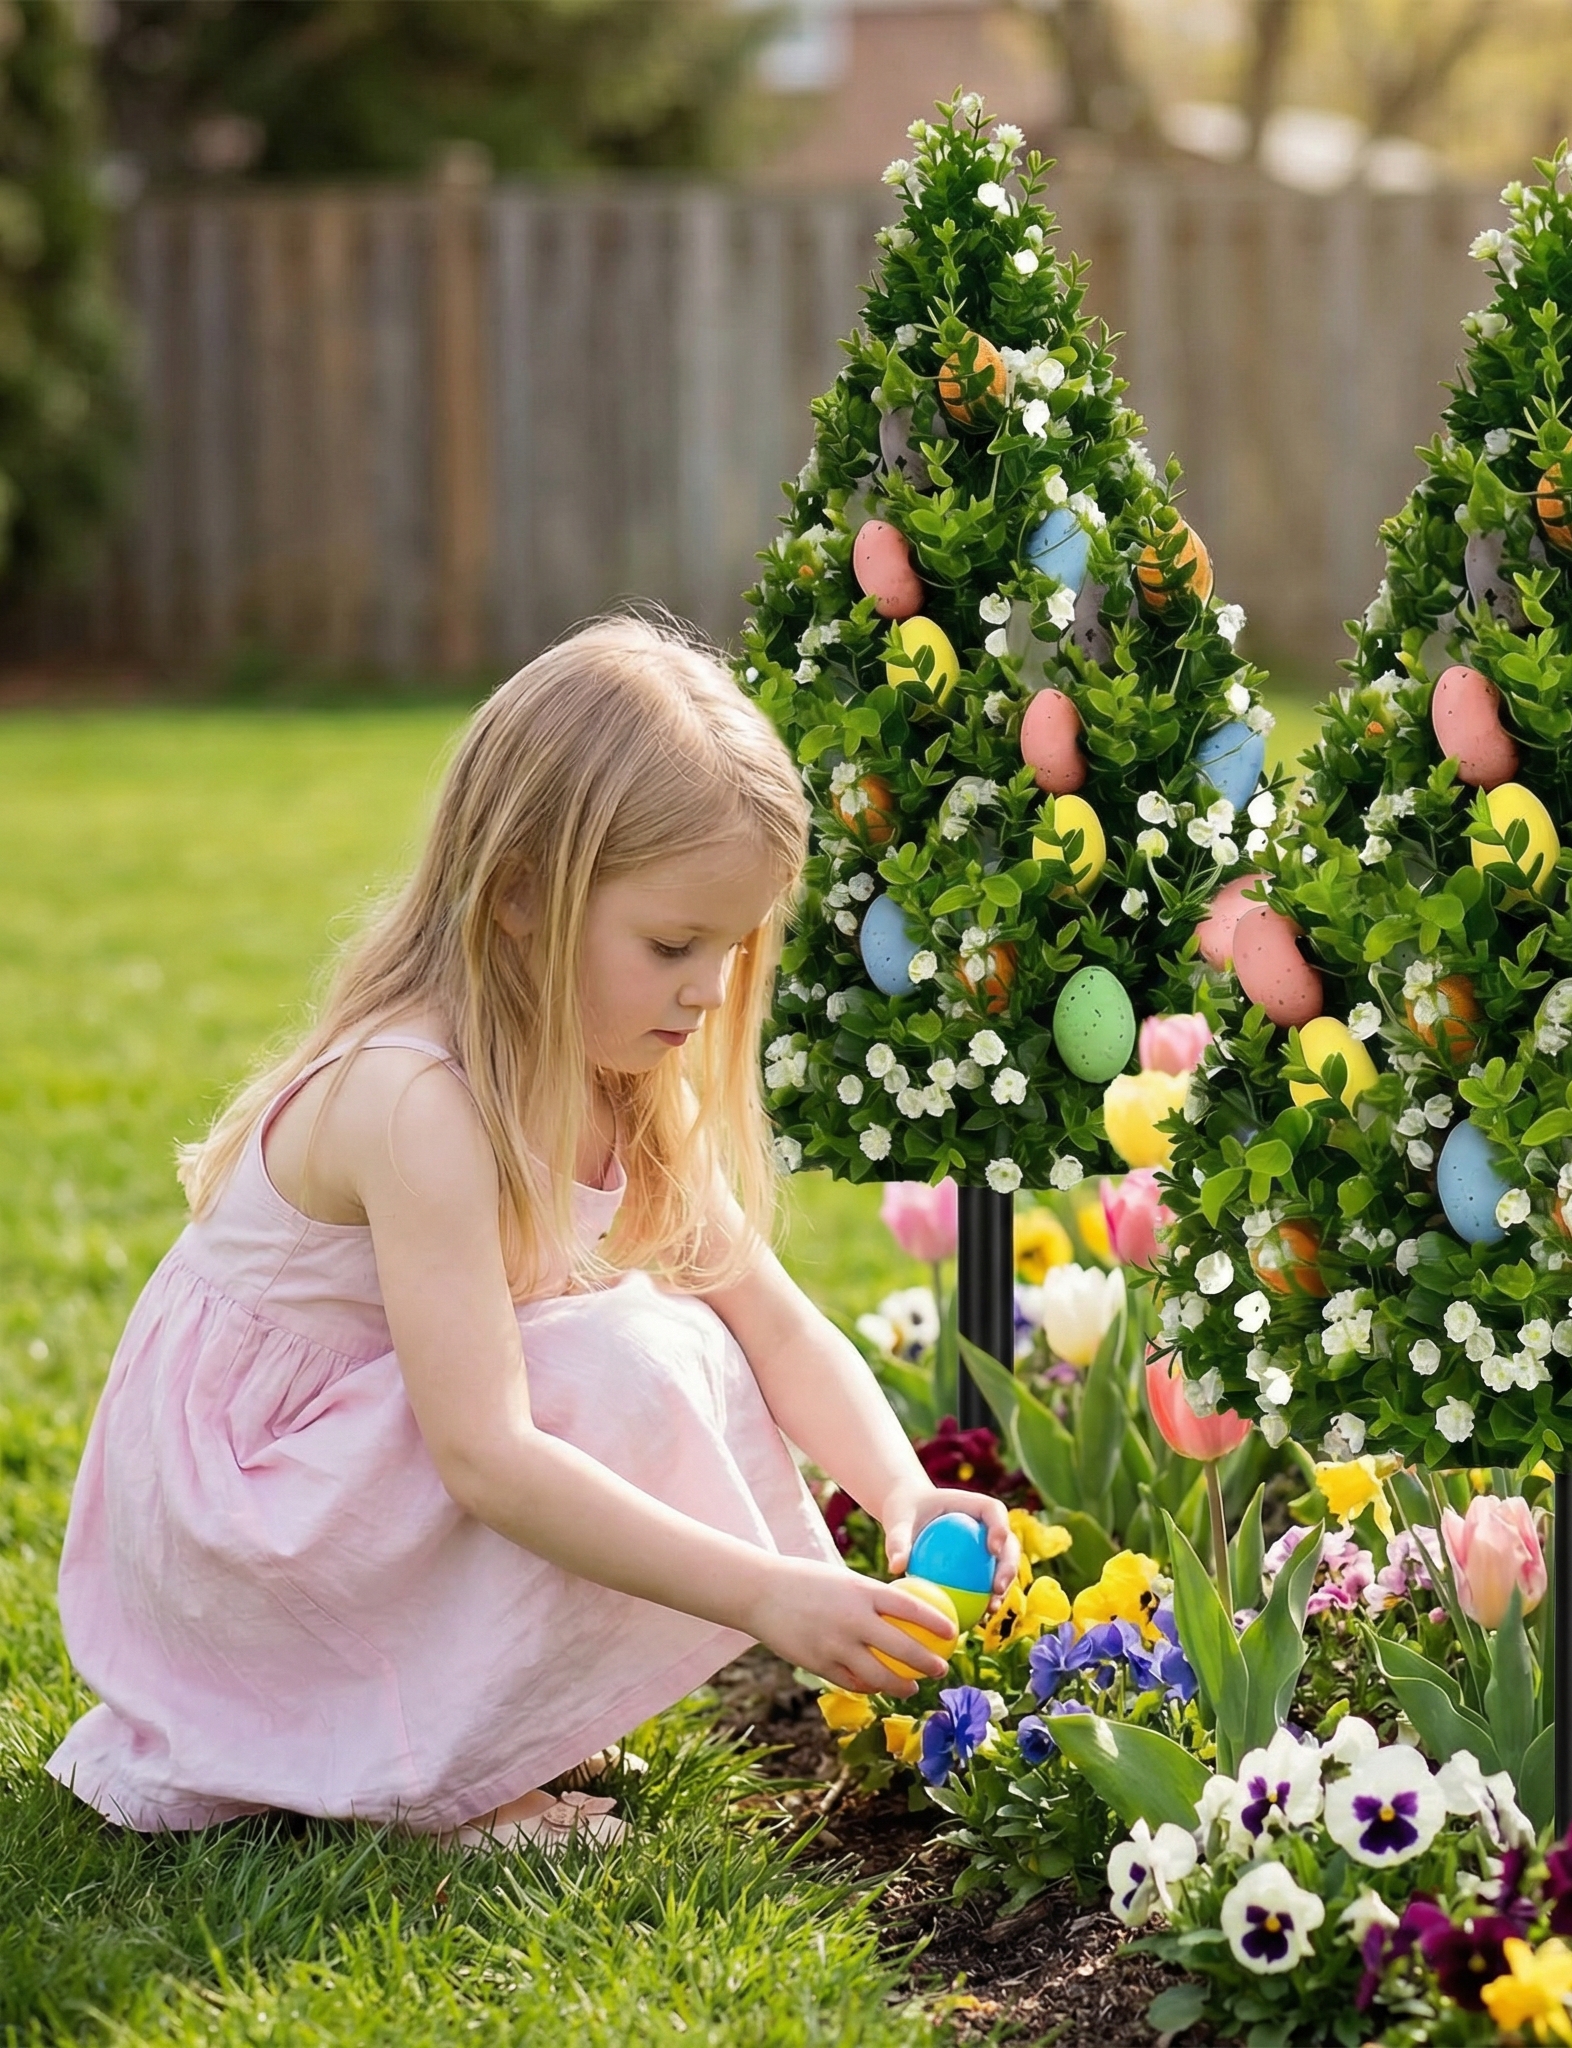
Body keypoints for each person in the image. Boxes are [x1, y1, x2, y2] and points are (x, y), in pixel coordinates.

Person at [47, 611, 1017, 1849]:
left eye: (731, 948)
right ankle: (446, 1782)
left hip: (347, 1484)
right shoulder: (414, 1099)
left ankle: (474, 1718)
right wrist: (770, 1593)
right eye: (672, 943)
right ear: (520, 895)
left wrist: (899, 1490)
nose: (709, 988)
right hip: (242, 1541)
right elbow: (487, 1455)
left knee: (691, 1343)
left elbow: (772, 1321)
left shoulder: (619, 1074)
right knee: (618, 1367)